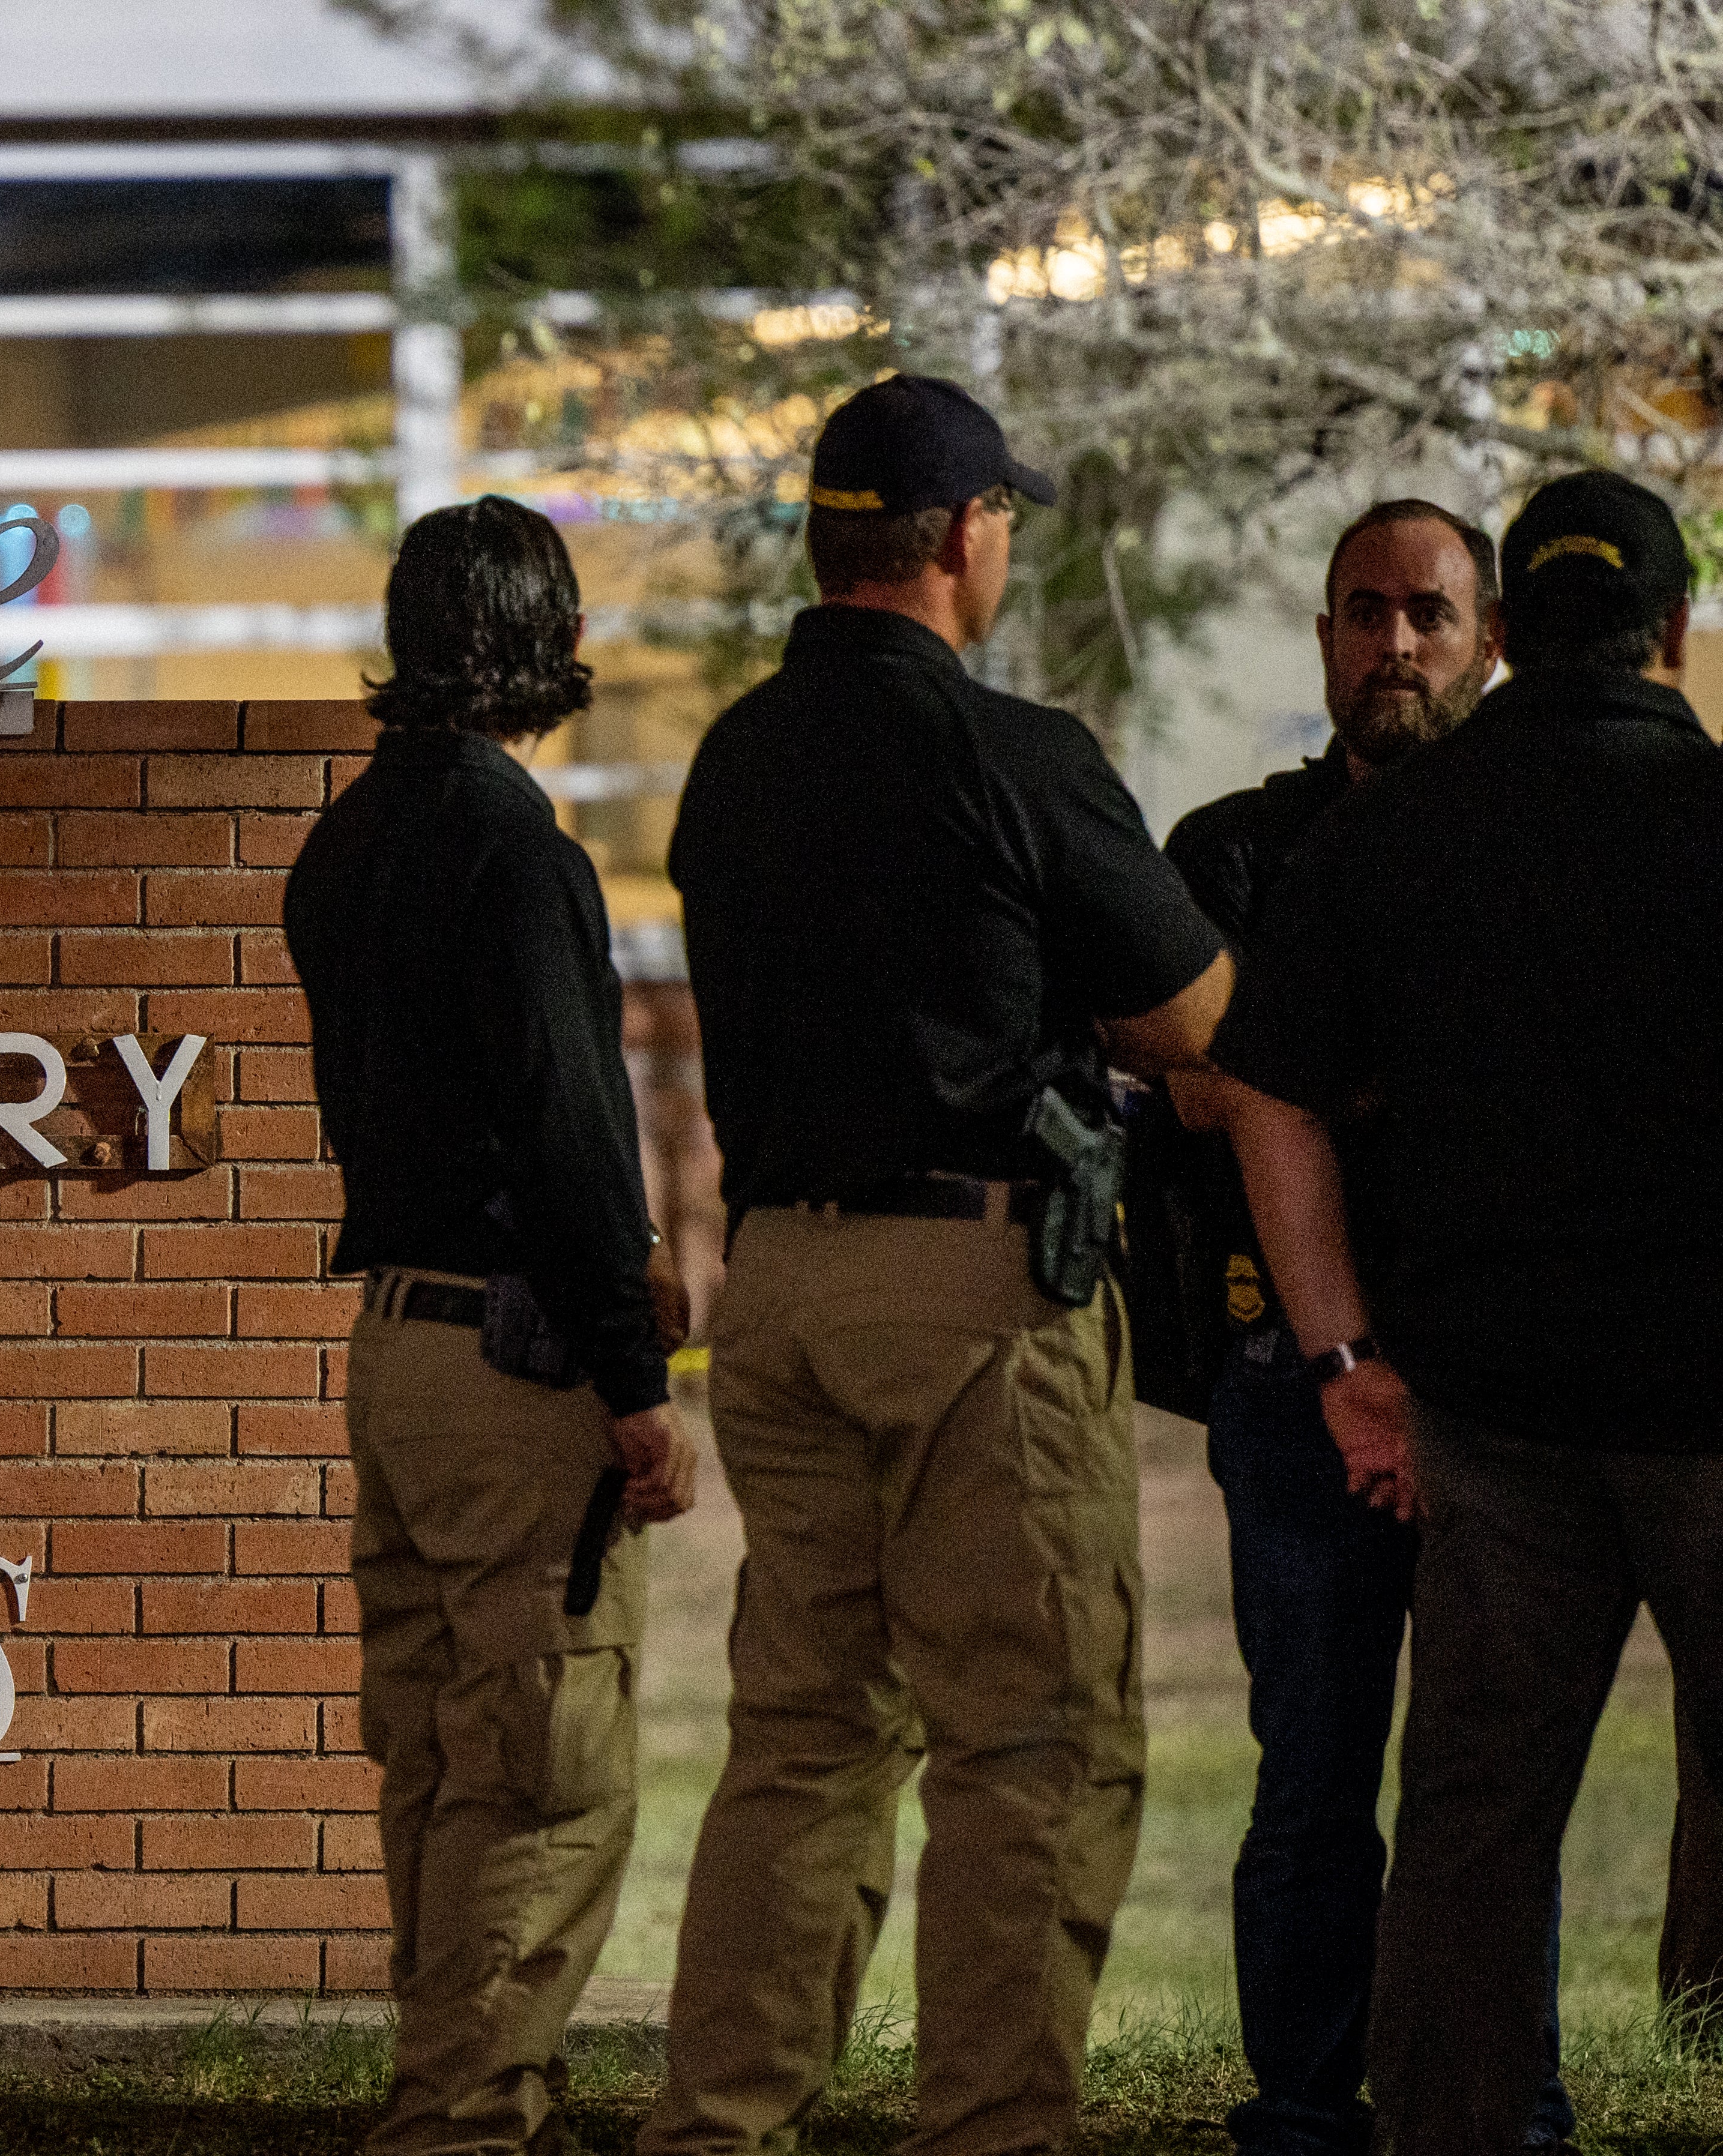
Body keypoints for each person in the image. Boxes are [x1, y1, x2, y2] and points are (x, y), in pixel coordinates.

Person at [642, 375, 1232, 2156]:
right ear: (965, 537)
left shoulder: (733, 759)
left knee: (805, 1744)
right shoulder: (1018, 755)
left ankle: (719, 2125)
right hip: (973, 1295)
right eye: (1002, 527)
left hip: (785, 1293)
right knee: (1033, 1747)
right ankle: (989, 2129)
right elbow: (1197, 1017)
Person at [1204, 471, 1723, 2156]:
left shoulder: (1389, 835)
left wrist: (1345, 1356)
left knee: (1472, 1835)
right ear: (1671, 631)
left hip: (1492, 1426)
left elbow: (1264, 1089)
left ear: (1504, 636)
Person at [1160, 502, 1583, 2156]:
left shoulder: (1540, 838)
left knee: (1496, 1790)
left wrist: (1295, 1083)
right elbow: (1187, 1077)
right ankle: (1305, 2110)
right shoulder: (1237, 852)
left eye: (1428, 613)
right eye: (1363, 613)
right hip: (1299, 1386)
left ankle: (1495, 2111)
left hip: (1504, 1382)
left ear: (1486, 637)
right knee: (1316, 1776)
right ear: (1323, 635)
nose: (1393, 645)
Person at [284, 495, 699, 2156]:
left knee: (440, 1758)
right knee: (541, 1764)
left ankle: (440, 2084)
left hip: (392, 1343)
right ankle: (463, 2115)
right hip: (514, 1356)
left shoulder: (346, 844)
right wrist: (635, 1375)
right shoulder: (519, 853)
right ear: (552, 644)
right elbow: (571, 1129)